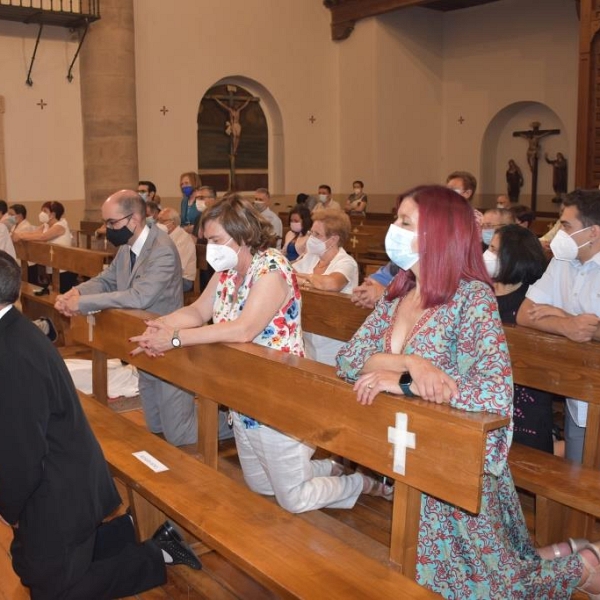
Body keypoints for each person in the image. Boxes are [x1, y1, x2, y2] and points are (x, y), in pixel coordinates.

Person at [336, 185, 600, 599]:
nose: (394, 230)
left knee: (485, 592)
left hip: (457, 465)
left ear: (438, 234)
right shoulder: (401, 294)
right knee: (438, 582)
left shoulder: (471, 298)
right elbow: (351, 360)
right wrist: (411, 365)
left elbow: (494, 394)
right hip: (411, 457)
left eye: (405, 222)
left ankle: (582, 566)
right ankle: (562, 559)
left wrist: (402, 384)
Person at [129, 195, 390, 513]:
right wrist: (159, 325)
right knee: (261, 484)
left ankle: (364, 483)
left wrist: (175, 339)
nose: (211, 248)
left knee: (293, 499)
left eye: (216, 240)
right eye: (208, 240)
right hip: (243, 390)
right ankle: (332, 469)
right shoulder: (227, 272)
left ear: (242, 234)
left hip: (277, 388)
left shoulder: (272, 268)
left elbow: (244, 329)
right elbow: (198, 310)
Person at [0, 250, 201, 600]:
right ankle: (120, 533)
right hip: (59, 474)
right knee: (30, 570)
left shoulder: (10, 352)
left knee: (52, 594)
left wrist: (9, 507)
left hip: (58, 484)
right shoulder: (12, 331)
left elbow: (22, 451)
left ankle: (159, 553)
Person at [54, 190, 197, 448]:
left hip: (166, 346)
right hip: (141, 343)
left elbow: (140, 297)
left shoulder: (161, 249)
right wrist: (76, 292)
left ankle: (229, 421)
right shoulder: (127, 247)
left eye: (112, 223)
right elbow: (108, 280)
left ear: (133, 220)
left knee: (180, 434)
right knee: (155, 426)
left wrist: (83, 304)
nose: (107, 229)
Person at [517, 189, 600, 464]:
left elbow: (589, 329)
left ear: (593, 232)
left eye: (566, 226)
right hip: (578, 402)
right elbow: (525, 314)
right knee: (578, 481)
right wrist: (567, 325)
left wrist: (563, 316)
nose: (558, 233)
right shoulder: (562, 263)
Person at [484, 224, 555, 453]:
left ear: (513, 257)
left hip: (527, 403)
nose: (487, 255)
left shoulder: (532, 301)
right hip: (485, 395)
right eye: (489, 248)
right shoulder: (479, 294)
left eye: (494, 250)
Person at [293, 209, 358, 365]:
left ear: (333, 239)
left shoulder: (346, 262)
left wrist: (305, 278)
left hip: (335, 341)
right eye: (311, 232)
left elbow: (332, 283)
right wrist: (310, 281)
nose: (311, 238)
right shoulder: (311, 257)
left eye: (317, 235)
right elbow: (287, 274)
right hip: (307, 334)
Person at [13, 201, 76, 292]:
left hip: (64, 267)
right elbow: (34, 233)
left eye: (45, 211)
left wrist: (20, 236)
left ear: (53, 214)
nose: (42, 213)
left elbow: (43, 237)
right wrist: (18, 234)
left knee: (64, 291)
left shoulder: (60, 225)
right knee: (55, 291)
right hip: (52, 264)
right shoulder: (46, 225)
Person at [156, 207, 197, 293]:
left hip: (182, 279)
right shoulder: (163, 236)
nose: (158, 223)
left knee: (153, 286)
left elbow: (178, 267)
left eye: (162, 221)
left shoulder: (183, 238)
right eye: (158, 220)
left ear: (173, 223)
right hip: (166, 275)